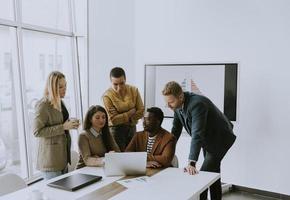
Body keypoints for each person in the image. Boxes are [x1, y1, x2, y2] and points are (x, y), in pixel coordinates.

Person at [162, 81, 236, 200]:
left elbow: (197, 134)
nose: (168, 106)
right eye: (166, 103)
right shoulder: (177, 105)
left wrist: (192, 162)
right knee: (213, 173)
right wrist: (166, 149)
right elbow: (175, 130)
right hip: (207, 139)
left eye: (170, 102)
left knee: (203, 177)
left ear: (180, 96)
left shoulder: (197, 104)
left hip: (220, 139)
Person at [33, 71, 80, 180]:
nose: (65, 89)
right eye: (60, 87)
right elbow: (37, 131)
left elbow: (60, 121)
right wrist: (63, 127)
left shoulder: (60, 102)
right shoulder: (43, 105)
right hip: (51, 161)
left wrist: (71, 123)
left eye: (65, 85)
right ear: (52, 87)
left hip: (62, 157)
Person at [102, 67, 145, 151]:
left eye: (122, 83)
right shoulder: (107, 96)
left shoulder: (134, 90)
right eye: (115, 84)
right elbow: (114, 120)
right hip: (116, 131)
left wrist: (122, 116)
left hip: (132, 128)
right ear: (111, 82)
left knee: (132, 156)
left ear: (125, 79)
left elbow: (141, 111)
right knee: (120, 158)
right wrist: (130, 113)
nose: (119, 87)